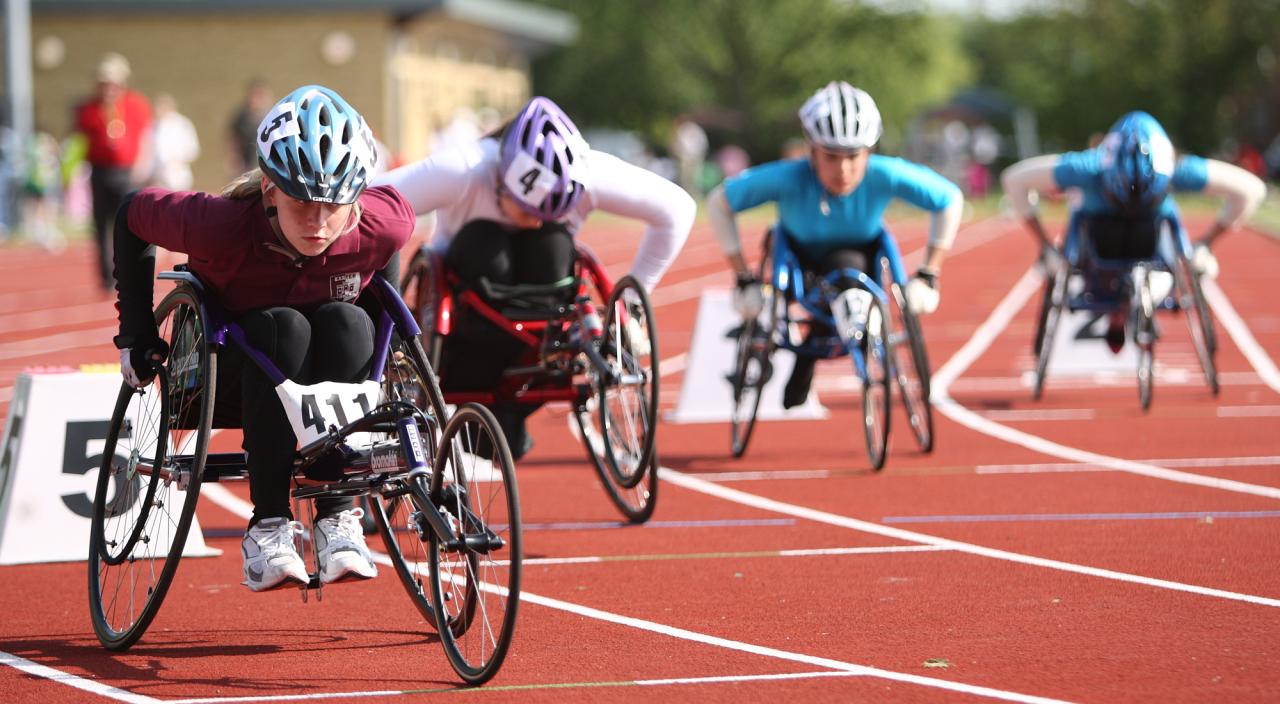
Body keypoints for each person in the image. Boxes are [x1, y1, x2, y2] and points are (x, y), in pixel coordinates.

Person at [112, 85, 416, 592]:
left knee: (350, 321)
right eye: (301, 204)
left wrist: (394, 338)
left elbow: (390, 246)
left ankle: (337, 516)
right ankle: (269, 525)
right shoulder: (218, 224)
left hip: (327, 378)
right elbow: (131, 214)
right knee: (284, 325)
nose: (319, 224)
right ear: (271, 189)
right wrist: (136, 333)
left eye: (334, 206)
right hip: (226, 373)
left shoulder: (381, 223)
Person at [376, 96, 696, 458]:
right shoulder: (466, 169)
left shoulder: (589, 172)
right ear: (501, 178)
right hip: (467, 311)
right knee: (487, 239)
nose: (536, 220)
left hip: (540, 319)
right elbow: (370, 199)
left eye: (552, 210)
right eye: (527, 209)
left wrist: (631, 306)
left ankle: (510, 411)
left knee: (554, 242)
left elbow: (677, 209)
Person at [707, 81, 963, 409]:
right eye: (830, 156)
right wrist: (743, 276)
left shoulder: (886, 173)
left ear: (869, 151)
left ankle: (820, 343)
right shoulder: (787, 177)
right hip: (797, 258)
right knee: (794, 264)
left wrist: (929, 273)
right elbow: (719, 203)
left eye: (854, 157)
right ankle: (799, 346)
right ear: (811, 151)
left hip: (860, 259)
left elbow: (950, 200)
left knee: (848, 266)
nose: (843, 170)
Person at [1001, 111, 1267, 353]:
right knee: (1087, 245)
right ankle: (1125, 306)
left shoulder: (1177, 169)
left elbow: (1251, 189)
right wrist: (1046, 246)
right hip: (1097, 245)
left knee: (1177, 240)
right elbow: (1014, 180)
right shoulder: (1087, 167)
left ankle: (1146, 295)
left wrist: (1207, 244)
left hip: (1152, 240)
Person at [75, 53, 152, 290]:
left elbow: (145, 139)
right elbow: (80, 141)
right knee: (101, 225)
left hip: (126, 172)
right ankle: (106, 277)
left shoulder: (136, 104)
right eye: (104, 83)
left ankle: (129, 271)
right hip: (100, 171)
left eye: (113, 83)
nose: (109, 88)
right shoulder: (88, 109)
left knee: (128, 224)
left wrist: (141, 165)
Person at [147, 93, 200, 191]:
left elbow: (192, 149)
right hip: (156, 177)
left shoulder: (182, 124)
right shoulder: (152, 124)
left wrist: (175, 161)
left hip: (178, 176)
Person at [228, 78, 272, 175]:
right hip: (247, 166)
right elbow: (235, 140)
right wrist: (234, 159)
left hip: (267, 165)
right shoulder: (242, 118)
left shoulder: (272, 115)